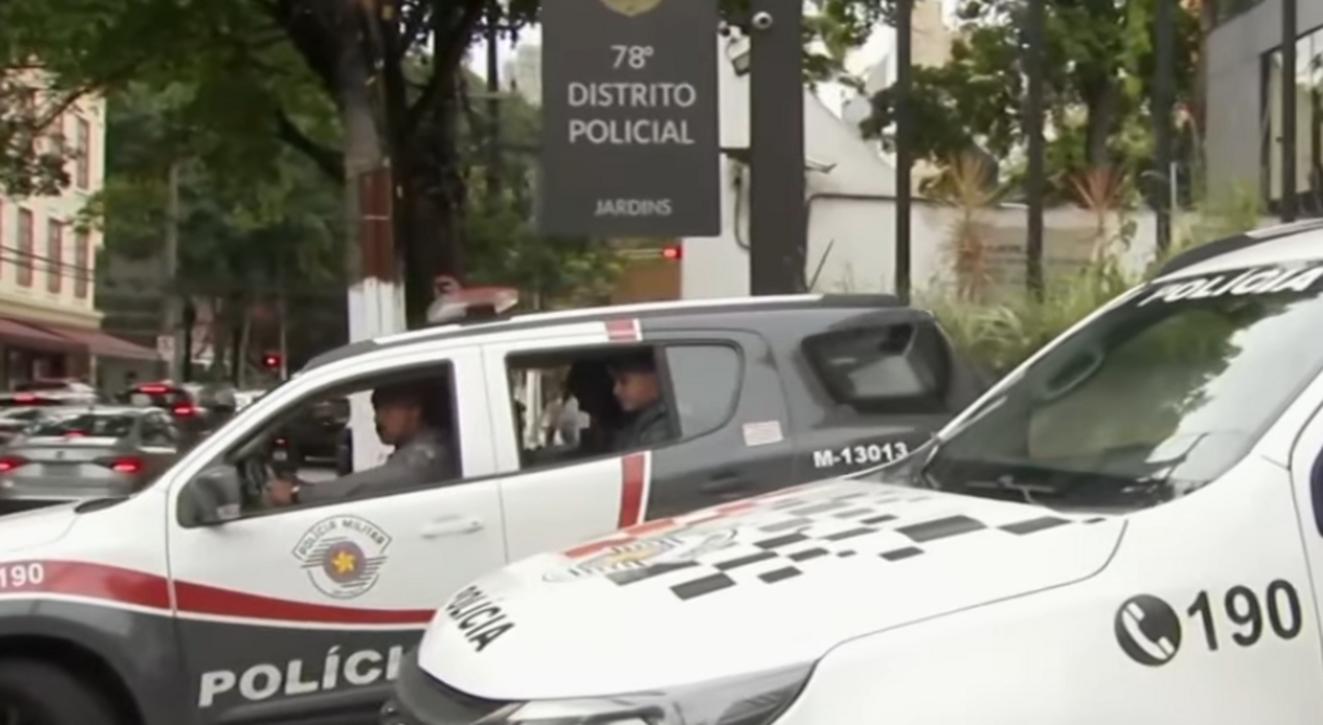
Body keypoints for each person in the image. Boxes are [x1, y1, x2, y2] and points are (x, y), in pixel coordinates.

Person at [265, 380, 455, 506]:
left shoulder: (428, 453)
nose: (377, 417)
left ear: (415, 410)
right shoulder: (417, 449)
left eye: (387, 408)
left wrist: (298, 494)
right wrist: (304, 486)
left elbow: (376, 483)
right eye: (375, 408)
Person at [609, 352, 671, 450]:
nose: (615, 391)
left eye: (624, 381)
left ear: (655, 382)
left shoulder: (662, 429)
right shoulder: (638, 421)